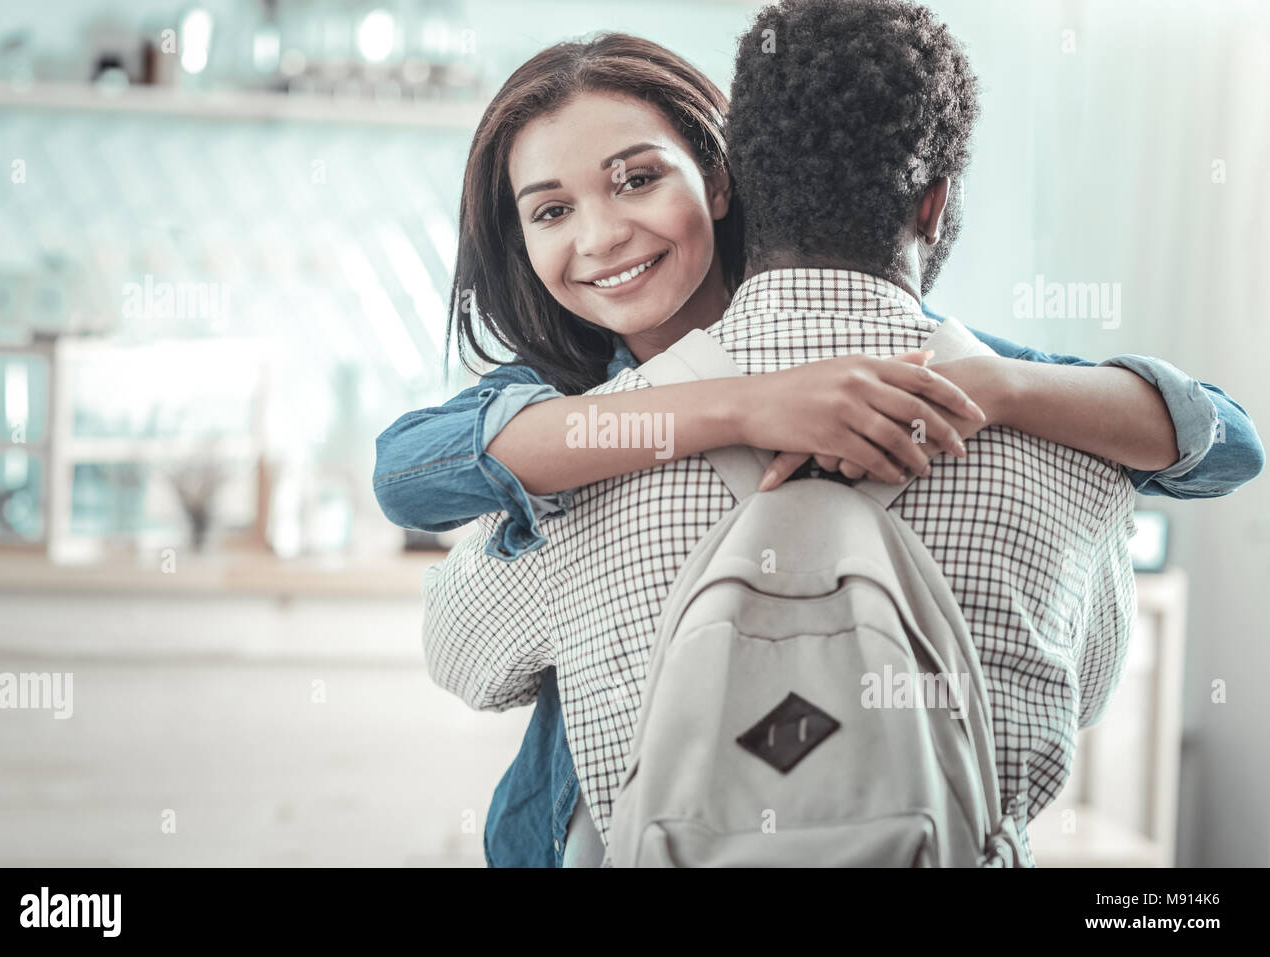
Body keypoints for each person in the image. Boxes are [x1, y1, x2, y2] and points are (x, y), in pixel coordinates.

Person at [378, 21, 1264, 865]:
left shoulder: (943, 381)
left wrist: (998, 384)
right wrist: (745, 406)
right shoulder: (570, 419)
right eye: (551, 210)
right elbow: (407, 474)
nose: (602, 233)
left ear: (723, 179)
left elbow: (1224, 440)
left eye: (637, 178)